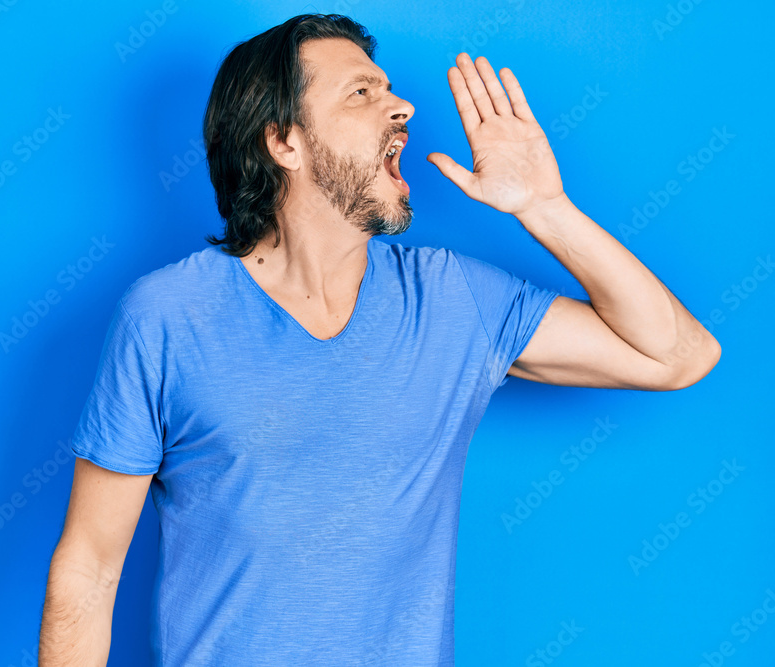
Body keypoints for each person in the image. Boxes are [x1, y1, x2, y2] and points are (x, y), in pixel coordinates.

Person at [38, 13, 720, 666]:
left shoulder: (455, 302)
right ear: (284, 142)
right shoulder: (166, 316)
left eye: (389, 89)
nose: (401, 108)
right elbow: (89, 569)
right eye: (362, 93)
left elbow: (679, 355)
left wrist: (545, 208)